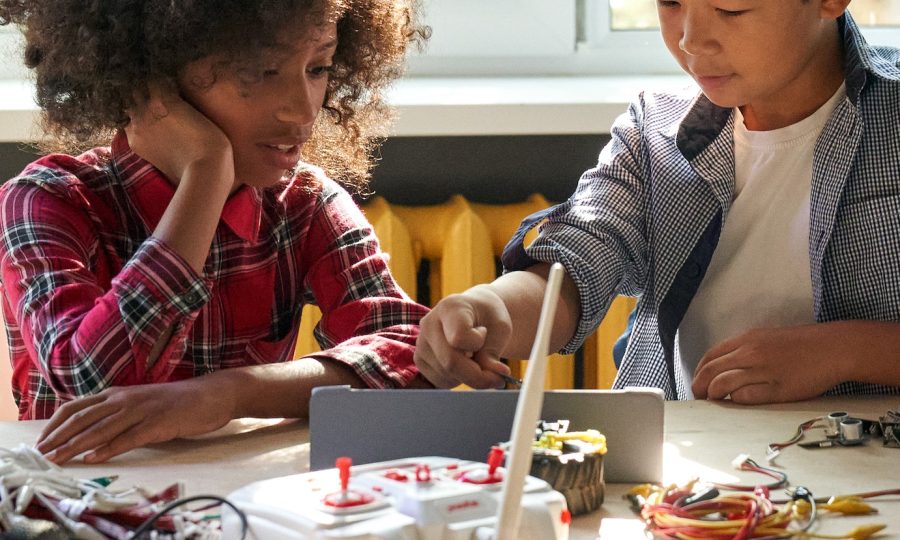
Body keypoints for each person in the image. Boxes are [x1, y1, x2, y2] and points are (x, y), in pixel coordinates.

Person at [0, 0, 429, 464]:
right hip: (79, 505)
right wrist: (206, 173)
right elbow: (90, 382)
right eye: (262, 71)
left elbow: (412, 357)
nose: (302, 109)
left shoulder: (305, 204)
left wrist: (226, 395)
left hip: (236, 505)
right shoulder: (46, 200)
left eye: (318, 67)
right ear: (151, 79)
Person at [414, 0, 900, 404]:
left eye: (731, 9)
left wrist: (844, 351)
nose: (691, 39)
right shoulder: (654, 133)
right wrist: (489, 308)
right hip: (695, 479)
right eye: (670, 3)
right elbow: (584, 253)